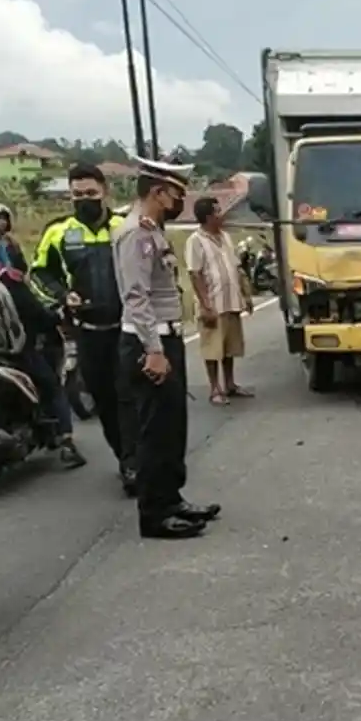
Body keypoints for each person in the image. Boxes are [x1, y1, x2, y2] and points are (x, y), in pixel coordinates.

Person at [113, 157, 221, 540]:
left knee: (171, 427)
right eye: (177, 194)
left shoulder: (153, 231)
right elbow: (136, 296)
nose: (181, 201)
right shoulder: (137, 235)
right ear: (158, 192)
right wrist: (154, 349)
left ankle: (171, 499)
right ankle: (155, 514)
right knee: (154, 431)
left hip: (164, 338)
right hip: (149, 342)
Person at [32, 164, 138, 494]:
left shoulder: (126, 227)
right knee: (105, 400)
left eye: (91, 193)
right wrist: (64, 296)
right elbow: (38, 274)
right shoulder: (58, 232)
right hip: (88, 331)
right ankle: (126, 457)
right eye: (77, 195)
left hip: (129, 328)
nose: (85, 200)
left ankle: (138, 460)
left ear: (105, 191)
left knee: (131, 396)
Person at [0, 223, 87, 468]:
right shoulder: (8, 279)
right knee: (53, 387)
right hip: (15, 353)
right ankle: (67, 443)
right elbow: (34, 314)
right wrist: (56, 318)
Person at [185, 197, 255, 405]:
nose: (221, 215)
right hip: (213, 304)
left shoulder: (225, 237)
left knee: (229, 346)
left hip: (230, 300)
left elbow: (237, 267)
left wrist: (246, 294)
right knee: (212, 348)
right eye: (217, 212)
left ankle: (230, 384)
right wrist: (206, 305)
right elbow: (195, 274)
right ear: (207, 217)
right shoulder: (195, 241)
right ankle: (215, 388)